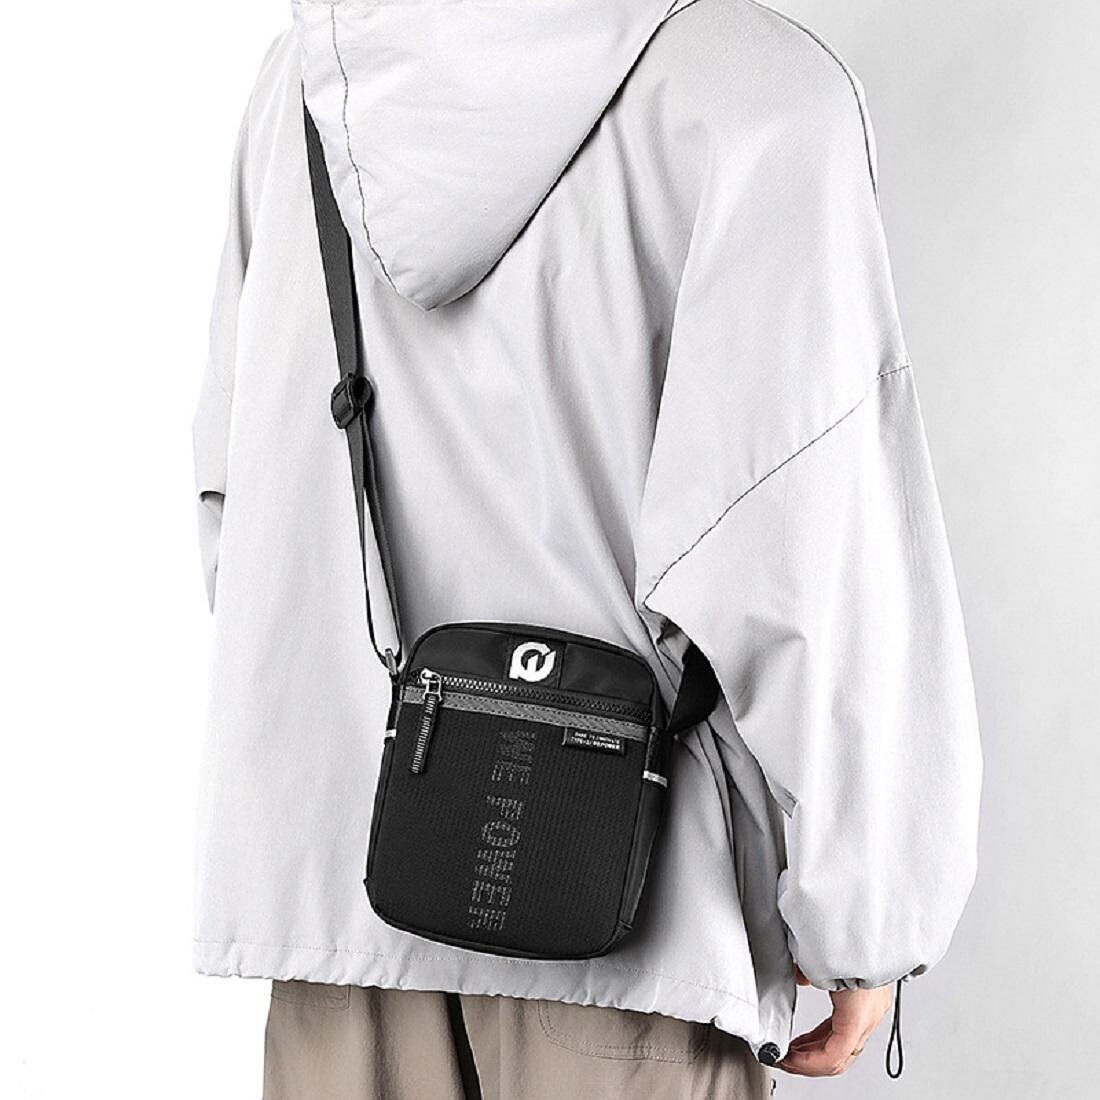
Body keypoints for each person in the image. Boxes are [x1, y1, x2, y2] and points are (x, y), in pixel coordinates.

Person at [191, 1, 982, 1096]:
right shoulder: (759, 94)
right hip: (633, 916)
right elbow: (806, 542)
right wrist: (866, 910)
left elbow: (237, 497)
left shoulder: (312, 83)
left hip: (343, 915)